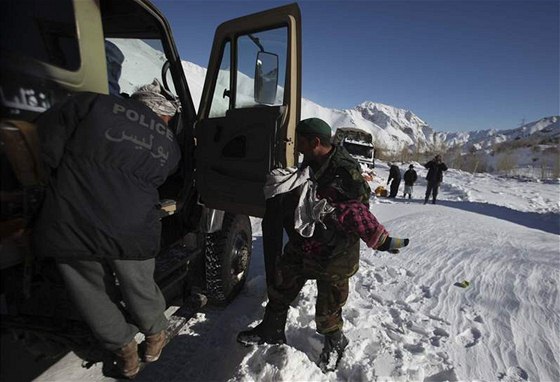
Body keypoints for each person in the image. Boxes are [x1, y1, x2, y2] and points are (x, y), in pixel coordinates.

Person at [32, 79, 181, 379]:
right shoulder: (168, 142)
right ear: (161, 113)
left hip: (73, 219)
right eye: (168, 119)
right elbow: (166, 173)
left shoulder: (92, 103)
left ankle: (124, 351)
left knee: (91, 292)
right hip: (132, 226)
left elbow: (46, 139)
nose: (166, 124)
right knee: (138, 284)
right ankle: (154, 339)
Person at [237, 118, 409, 372]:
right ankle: (271, 329)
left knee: (328, 306)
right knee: (281, 283)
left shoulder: (346, 170)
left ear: (315, 142)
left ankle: (336, 341)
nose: (297, 146)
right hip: (306, 244)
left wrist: (330, 211)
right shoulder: (311, 161)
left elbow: (360, 211)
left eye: (302, 141)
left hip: (335, 253)